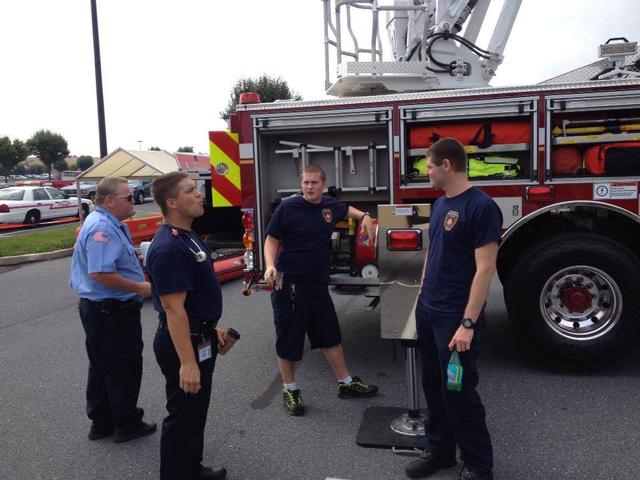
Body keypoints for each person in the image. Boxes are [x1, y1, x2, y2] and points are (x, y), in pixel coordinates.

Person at [405, 138, 502, 480]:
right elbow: (434, 251)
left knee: (458, 392)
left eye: (429, 166)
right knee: (433, 387)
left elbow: (485, 269)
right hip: (430, 311)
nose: (426, 172)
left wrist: (468, 323)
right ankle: (440, 453)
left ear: (447, 165)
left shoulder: (481, 207)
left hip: (455, 319)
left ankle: (478, 466)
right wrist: (422, 289)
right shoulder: (441, 204)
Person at [263, 164, 379, 416]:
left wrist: (365, 217)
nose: (309, 187)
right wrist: (270, 265)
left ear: (323, 185)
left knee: (330, 335)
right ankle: (290, 389)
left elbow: (349, 210)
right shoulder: (288, 208)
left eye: (314, 183)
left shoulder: (329, 206)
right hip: (289, 282)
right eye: (305, 182)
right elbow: (271, 239)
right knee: (289, 338)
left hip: (317, 283)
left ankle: (346, 384)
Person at [146, 171, 228, 480]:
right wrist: (187, 363)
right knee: (182, 414)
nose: (199, 195)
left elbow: (193, 299)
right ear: (172, 202)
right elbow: (173, 310)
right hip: (182, 343)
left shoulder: (187, 235)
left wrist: (210, 327)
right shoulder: (169, 248)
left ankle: (191, 468)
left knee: (194, 413)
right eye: (191, 191)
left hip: (199, 334)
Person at [69, 176, 156, 442]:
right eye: (128, 197)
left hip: (101, 309)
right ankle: (126, 423)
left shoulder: (109, 224)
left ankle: (102, 421)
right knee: (123, 366)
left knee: (102, 365)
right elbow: (100, 273)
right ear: (109, 201)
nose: (133, 201)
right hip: (111, 311)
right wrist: (140, 288)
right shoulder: (103, 229)